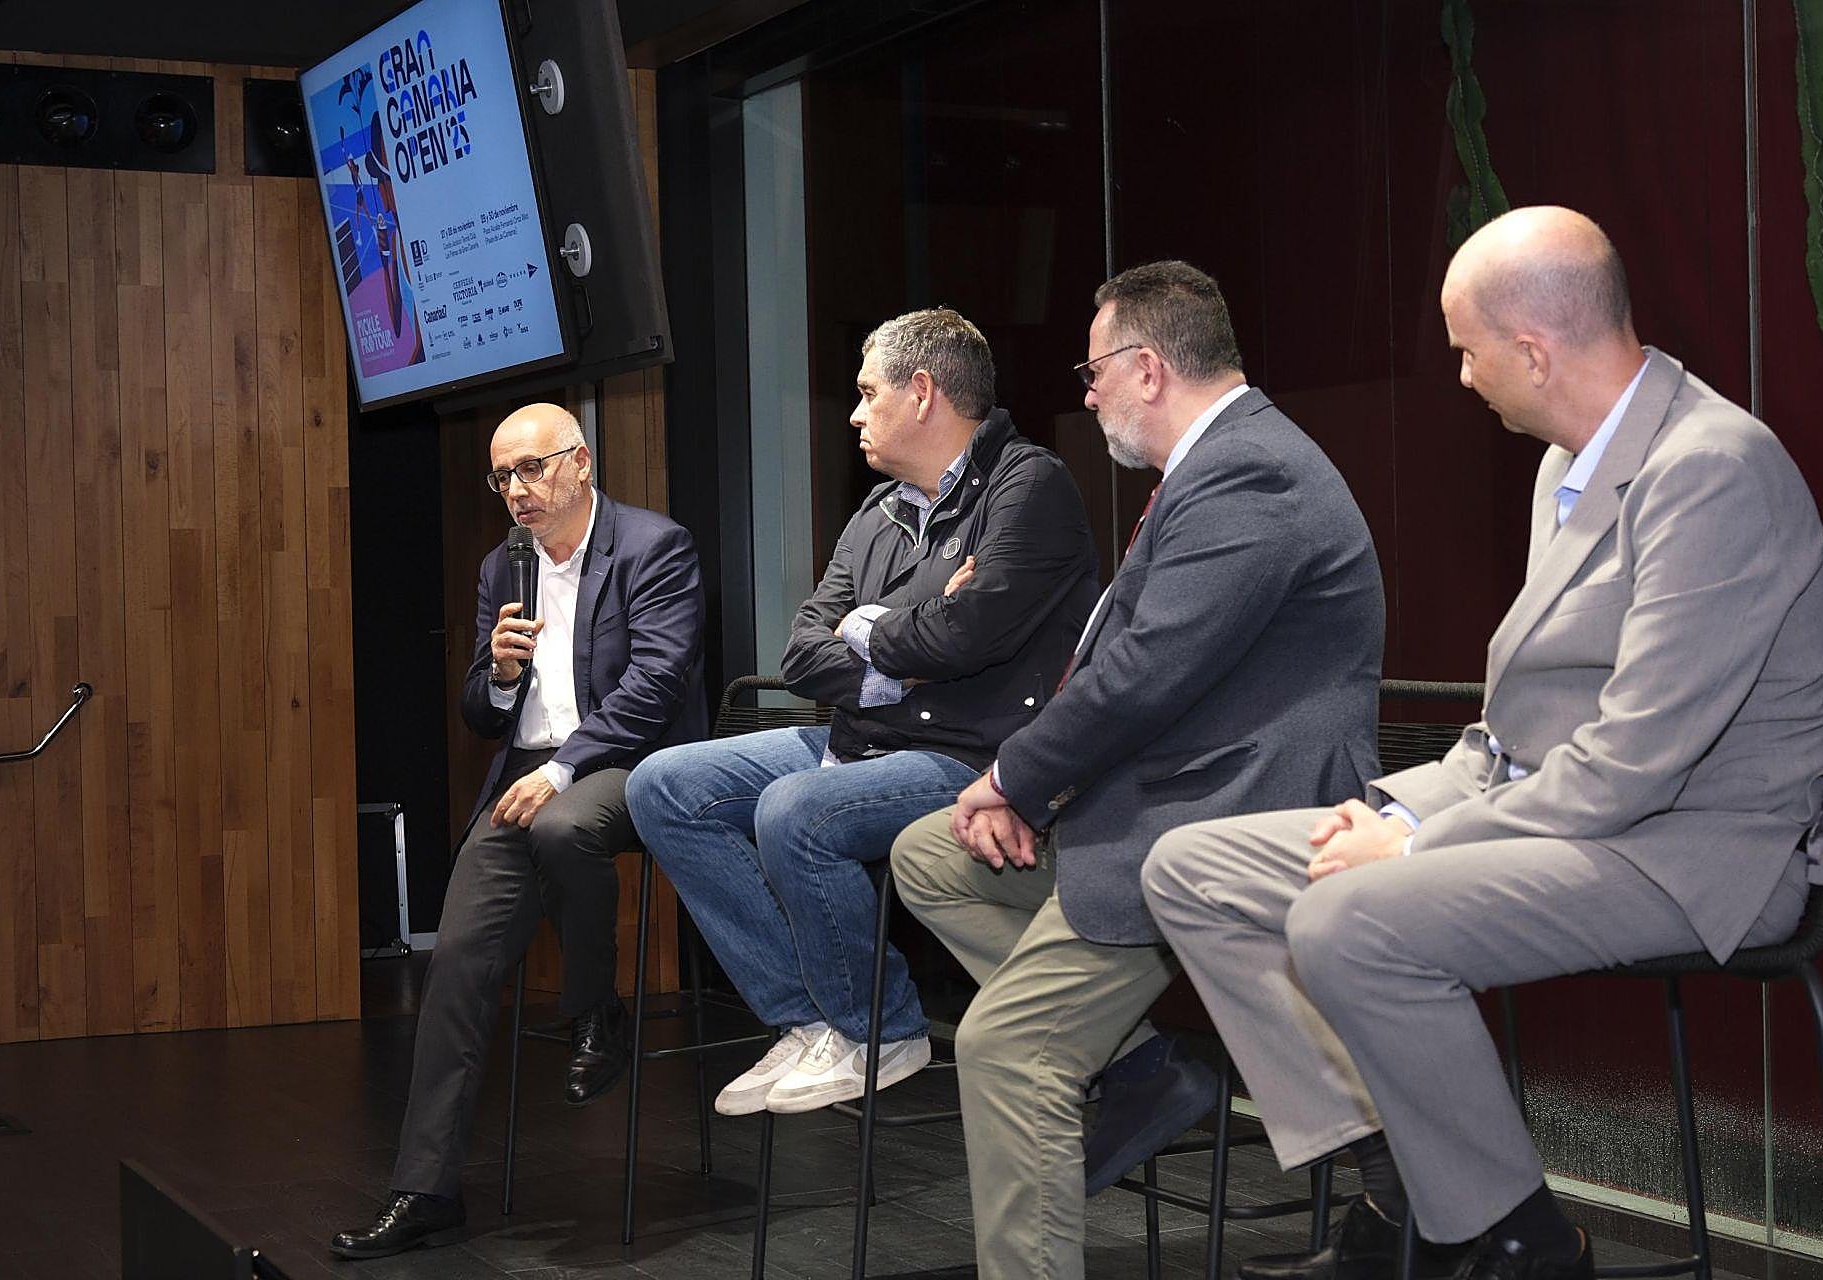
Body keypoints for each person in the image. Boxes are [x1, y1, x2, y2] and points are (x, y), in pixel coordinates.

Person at [1140, 206, 1823, 1280]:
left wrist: (1412, 847)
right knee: (1196, 868)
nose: (1464, 377)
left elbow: (1636, 762)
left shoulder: (1713, 467)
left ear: (1533, 349)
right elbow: (1520, 725)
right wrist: (1402, 807)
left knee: (1349, 916)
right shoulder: (1568, 465)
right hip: (1583, 817)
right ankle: (1407, 1181)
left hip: (1698, 849)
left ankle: (1522, 1239)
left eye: (1468, 351)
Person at [889, 261, 1385, 1280]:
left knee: (1006, 1047)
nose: (1087, 393)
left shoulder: (1249, 470)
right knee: (930, 854)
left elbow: (1146, 673)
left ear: (1148, 368)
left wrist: (1017, 780)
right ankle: (1137, 1063)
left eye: (1095, 370)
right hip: (1172, 799)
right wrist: (1030, 785)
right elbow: (1142, 672)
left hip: (1227, 824)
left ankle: (1081, 1055)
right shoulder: (1221, 466)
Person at [626, 307, 1099, 1115]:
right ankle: (807, 1017)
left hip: (967, 758)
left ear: (922, 392)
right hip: (861, 739)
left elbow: (972, 634)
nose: (853, 413)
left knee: (795, 809)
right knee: (663, 786)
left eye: (867, 392)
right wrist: (903, 654)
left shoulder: (1030, 485)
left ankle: (879, 1028)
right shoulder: (879, 508)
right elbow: (804, 653)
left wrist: (872, 626)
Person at [331, 403, 706, 1259]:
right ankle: (425, 1190)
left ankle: (594, 1008)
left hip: (626, 762)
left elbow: (656, 685)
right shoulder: (503, 565)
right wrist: (499, 676)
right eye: (501, 477)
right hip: (526, 774)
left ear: (581, 463)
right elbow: (478, 712)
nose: (516, 490)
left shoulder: (654, 547)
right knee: (456, 963)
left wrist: (562, 767)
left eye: (531, 469)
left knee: (564, 823)